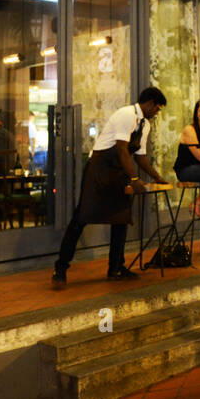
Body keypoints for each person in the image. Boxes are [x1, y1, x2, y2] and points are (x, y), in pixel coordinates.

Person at [52, 87, 168, 287]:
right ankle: (60, 269)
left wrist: (158, 178)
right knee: (82, 217)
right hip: (99, 169)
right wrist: (134, 178)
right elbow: (122, 149)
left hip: (118, 173)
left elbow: (140, 157)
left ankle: (116, 268)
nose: (157, 113)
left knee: (120, 219)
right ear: (149, 103)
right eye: (157, 108)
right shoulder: (126, 114)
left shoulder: (145, 125)